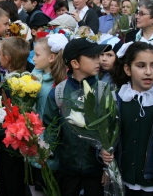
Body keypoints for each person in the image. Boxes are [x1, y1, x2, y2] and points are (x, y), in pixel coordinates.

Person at [43, 37, 113, 196]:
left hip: (96, 170)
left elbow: (112, 131)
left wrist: (107, 167)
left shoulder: (103, 91)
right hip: (67, 169)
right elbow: (50, 128)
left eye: (99, 56)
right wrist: (47, 155)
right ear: (75, 63)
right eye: (93, 56)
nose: (99, 60)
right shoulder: (58, 93)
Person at [112, 41, 153, 196]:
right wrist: (103, 153)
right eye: (141, 66)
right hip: (123, 179)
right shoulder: (117, 99)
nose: (148, 72)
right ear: (127, 69)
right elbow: (109, 137)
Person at [0, 37, 30, 196]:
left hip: (11, 141)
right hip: (11, 140)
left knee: (11, 181)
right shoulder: (23, 79)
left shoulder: (13, 85)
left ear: (6, 59)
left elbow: (20, 118)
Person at [30, 34, 68, 195]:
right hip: (36, 144)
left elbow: (51, 121)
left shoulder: (54, 86)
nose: (33, 58)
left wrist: (46, 149)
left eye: (37, 55)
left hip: (46, 150)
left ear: (51, 57)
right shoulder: (38, 78)